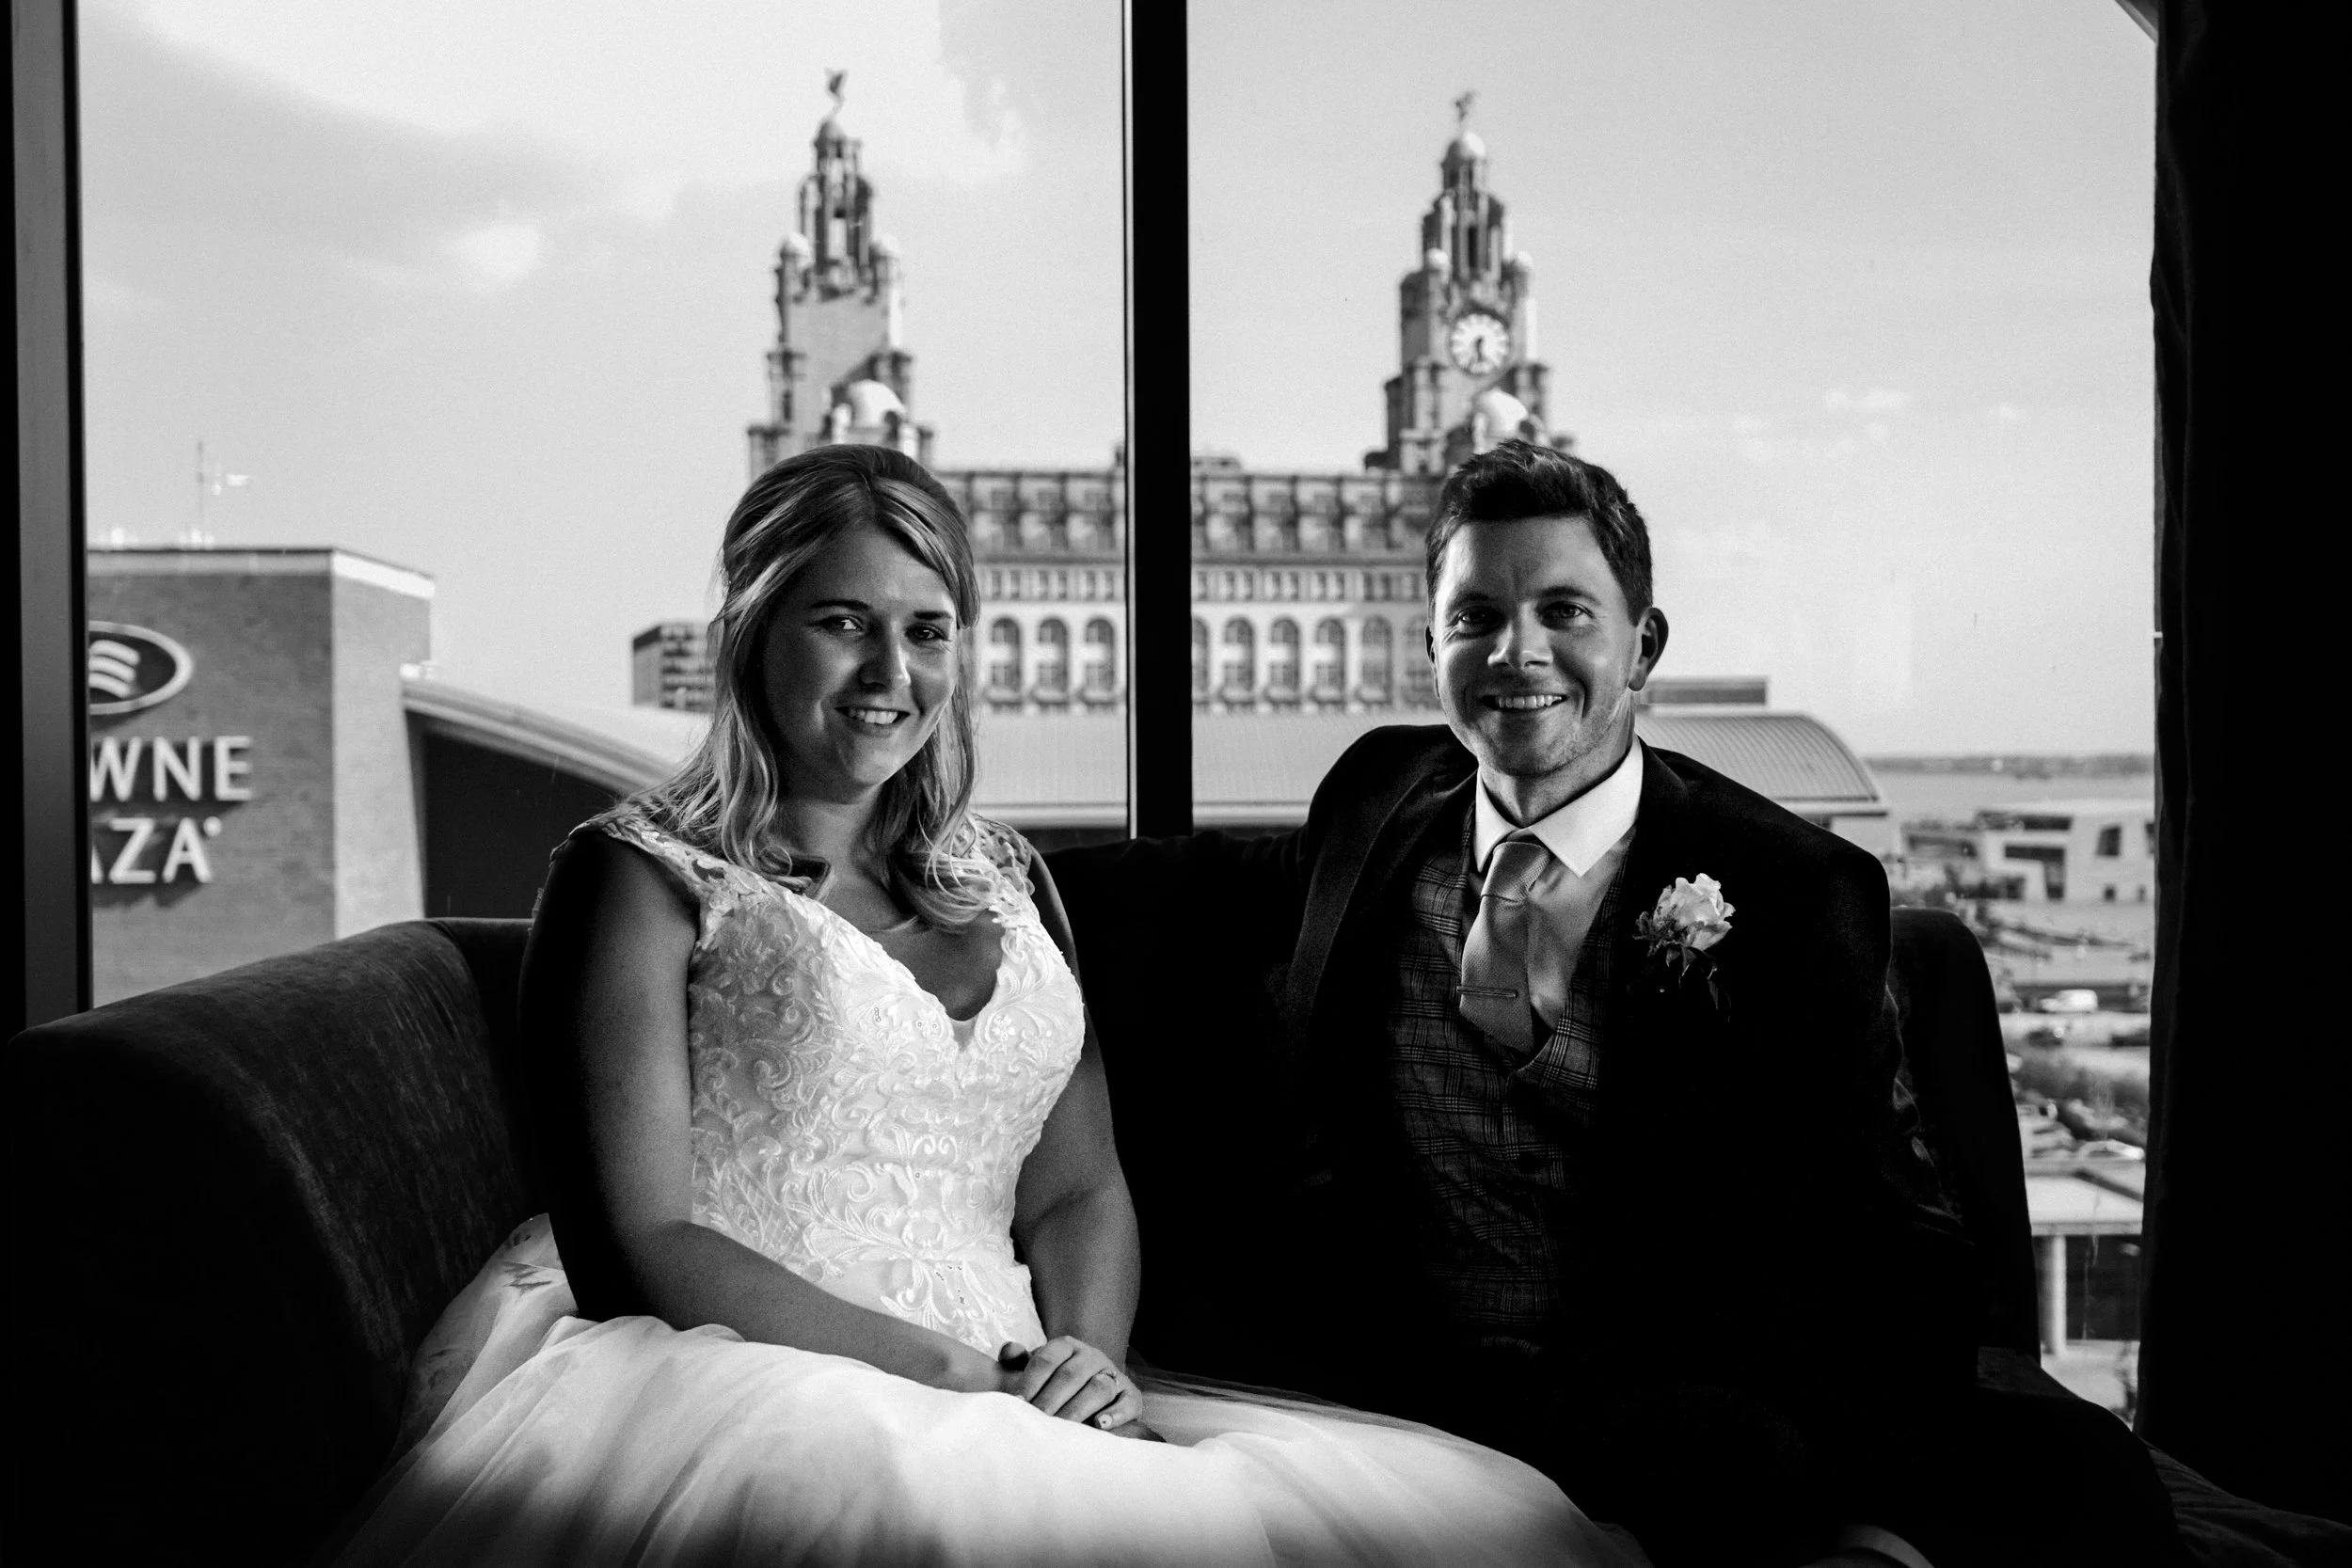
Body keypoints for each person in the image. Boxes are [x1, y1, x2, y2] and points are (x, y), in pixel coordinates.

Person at [325, 443, 1642, 1568]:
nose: (890, 667)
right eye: (843, 619)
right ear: (752, 630)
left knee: (1478, 1523)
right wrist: (941, 1372)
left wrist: (1088, 1357)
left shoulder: (1007, 876)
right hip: (751, 1379)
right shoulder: (638, 876)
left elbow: (1078, 1188)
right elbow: (640, 1238)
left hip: (1024, 1374)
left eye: (929, 626)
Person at [1053, 441, 2185, 1567]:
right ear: (1432, 643)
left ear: (1642, 644)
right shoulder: (1376, 794)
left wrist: (1861, 1488)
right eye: (1475, 616)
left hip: (1682, 1402)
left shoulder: (1790, 885)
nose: (1516, 651)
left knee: (2088, 1485)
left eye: (1563, 610)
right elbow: (1176, 887)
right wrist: (951, 871)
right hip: (1405, 1378)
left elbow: (1891, 1226)